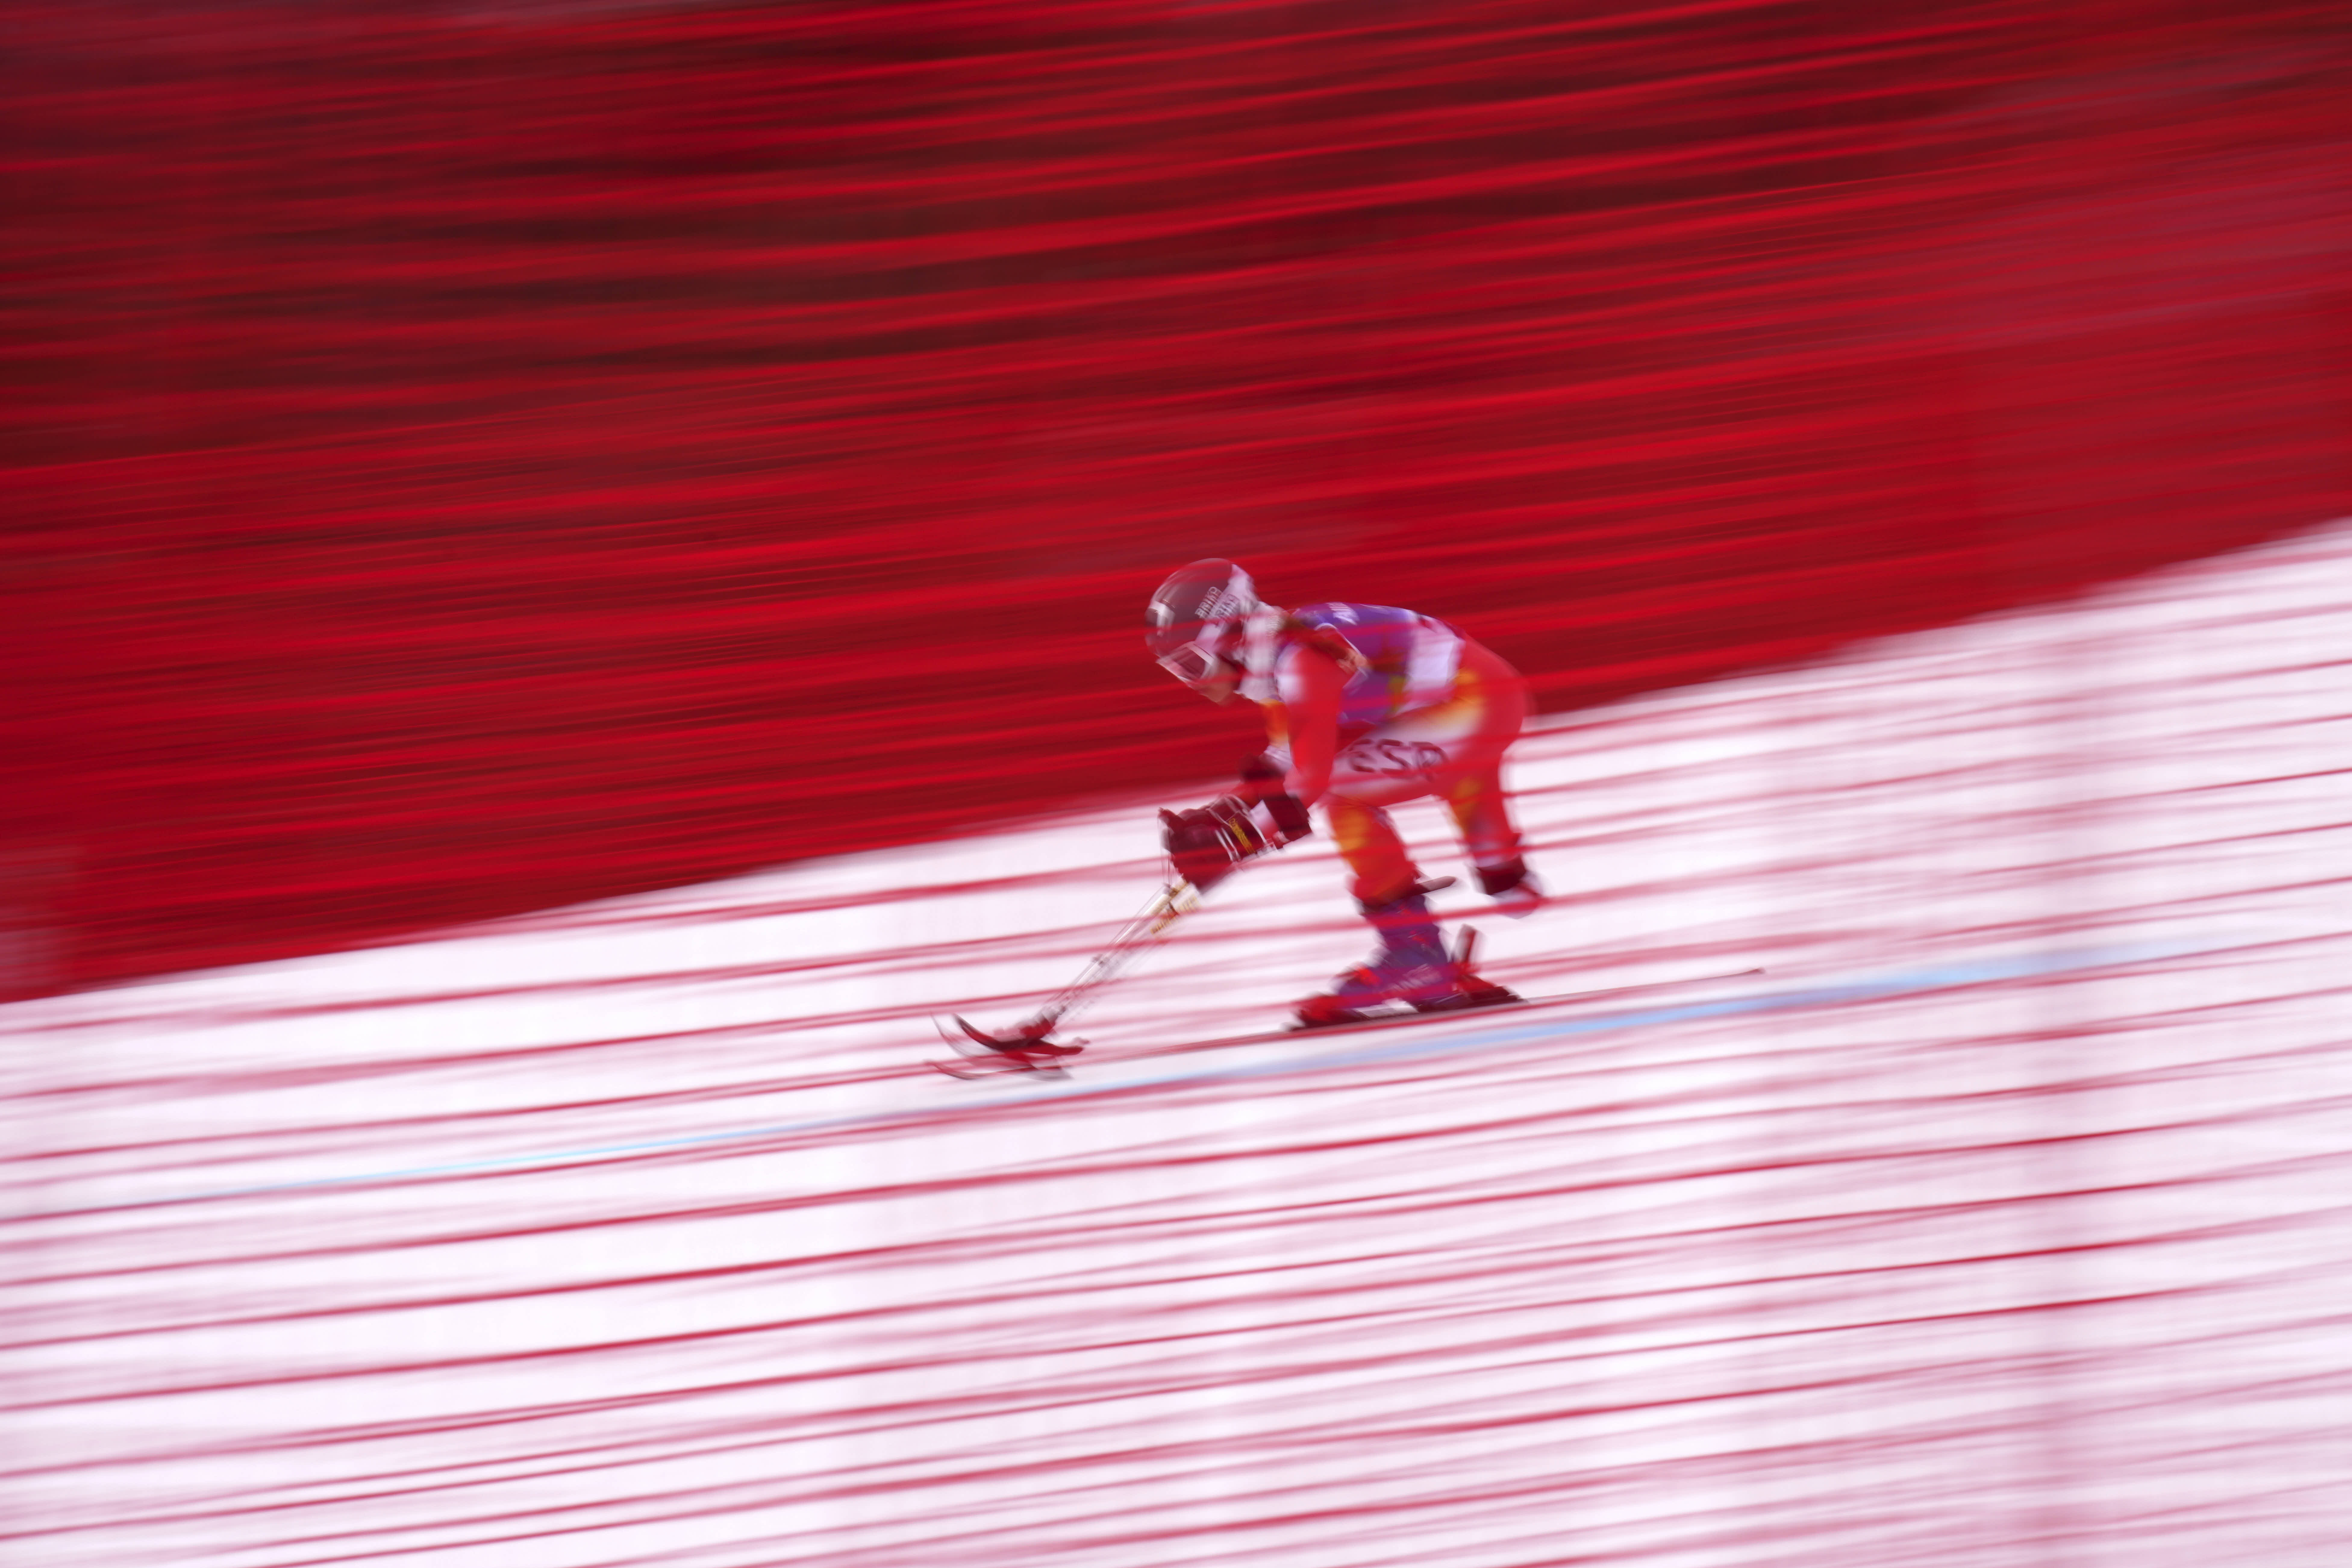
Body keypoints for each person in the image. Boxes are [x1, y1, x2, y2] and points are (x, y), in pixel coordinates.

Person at [1146, 558, 1543, 1026]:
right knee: (1346, 783)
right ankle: (1485, 888)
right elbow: (1285, 760)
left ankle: (1416, 959)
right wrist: (1219, 817)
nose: (1196, 680)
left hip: (1476, 705)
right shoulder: (1283, 650)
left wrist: (1231, 843)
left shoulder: (1300, 662)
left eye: (1194, 662)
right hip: (1472, 697)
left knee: (1342, 791)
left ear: (1230, 634)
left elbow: (1308, 782)